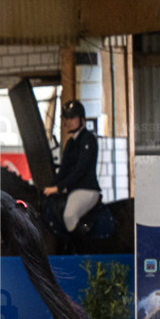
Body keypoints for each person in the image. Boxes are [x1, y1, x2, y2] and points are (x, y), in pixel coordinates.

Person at [43, 99, 102, 235]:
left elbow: (79, 171)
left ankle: (78, 252)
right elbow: (63, 171)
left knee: (69, 215)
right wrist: (49, 187)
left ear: (81, 119)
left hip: (86, 190)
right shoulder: (70, 143)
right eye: (66, 118)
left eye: (73, 118)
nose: (69, 121)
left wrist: (58, 188)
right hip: (72, 190)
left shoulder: (88, 139)